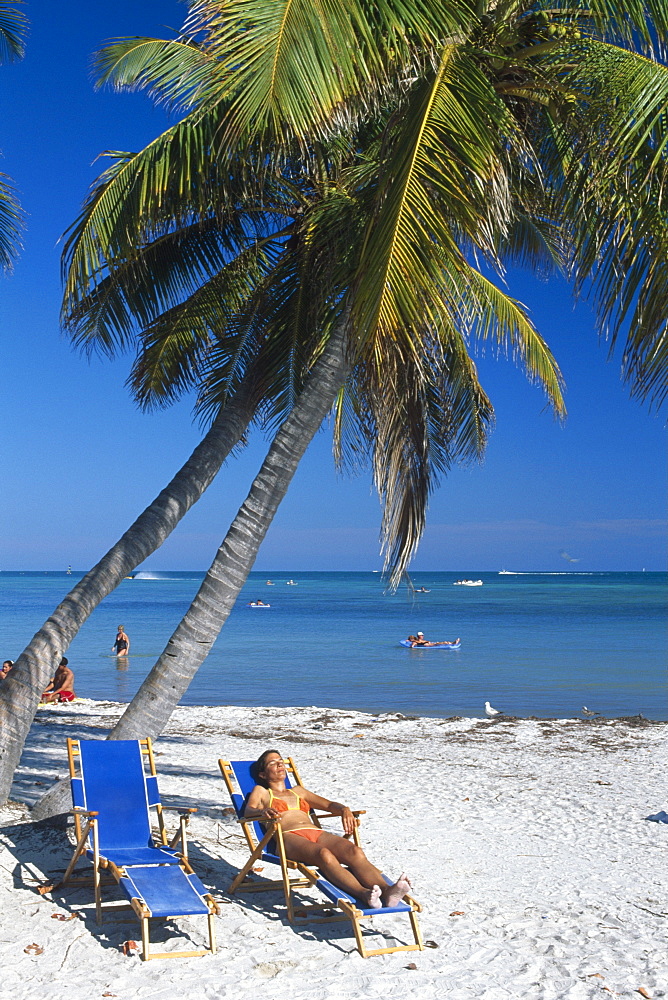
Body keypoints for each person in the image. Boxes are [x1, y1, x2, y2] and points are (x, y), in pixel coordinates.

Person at [244, 749, 412, 909]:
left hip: (315, 832)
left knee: (355, 851)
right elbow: (248, 811)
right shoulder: (262, 792)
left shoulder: (299, 791)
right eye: (272, 763)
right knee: (323, 854)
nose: (279, 765)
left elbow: (329, 805)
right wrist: (262, 811)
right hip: (289, 837)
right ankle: (364, 894)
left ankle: (388, 891)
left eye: (281, 761)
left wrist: (344, 809)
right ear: (263, 774)